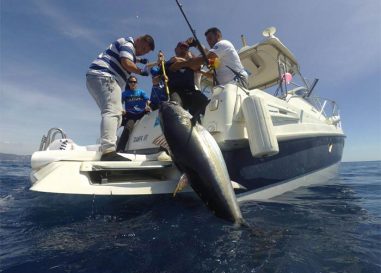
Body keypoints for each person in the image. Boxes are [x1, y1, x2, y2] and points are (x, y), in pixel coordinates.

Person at [86, 34, 154, 161]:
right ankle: (108, 152)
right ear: (138, 40)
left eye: (145, 52)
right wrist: (142, 71)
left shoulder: (128, 48)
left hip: (97, 78)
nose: (142, 52)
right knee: (113, 112)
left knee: (115, 113)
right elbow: (127, 62)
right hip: (106, 76)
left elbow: (132, 58)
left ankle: (108, 147)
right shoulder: (128, 44)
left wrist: (141, 61)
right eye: (143, 48)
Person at [182, 27, 248, 86]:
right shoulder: (217, 57)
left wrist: (186, 63)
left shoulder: (223, 43)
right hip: (225, 86)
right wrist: (199, 71)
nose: (209, 42)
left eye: (210, 39)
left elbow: (207, 57)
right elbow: (213, 75)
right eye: (207, 41)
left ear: (218, 36)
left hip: (236, 82)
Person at [164, 41, 209, 120]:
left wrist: (187, 61)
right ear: (176, 49)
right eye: (181, 47)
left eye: (186, 48)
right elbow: (173, 67)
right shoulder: (169, 62)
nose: (184, 50)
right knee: (175, 109)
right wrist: (188, 63)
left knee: (208, 106)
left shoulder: (190, 61)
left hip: (192, 91)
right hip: (176, 92)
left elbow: (197, 66)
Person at [117, 76, 151, 152]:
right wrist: (121, 109)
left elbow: (147, 100)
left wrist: (148, 105)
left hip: (142, 113)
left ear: (136, 83)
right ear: (128, 83)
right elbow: (119, 103)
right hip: (131, 116)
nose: (133, 83)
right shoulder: (125, 93)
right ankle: (119, 149)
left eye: (134, 82)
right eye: (131, 82)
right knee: (127, 128)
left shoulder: (141, 92)